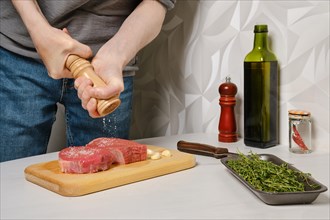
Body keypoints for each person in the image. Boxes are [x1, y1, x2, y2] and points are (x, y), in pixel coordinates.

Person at [0, 0, 176, 162]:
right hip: (20, 48)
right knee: (11, 180)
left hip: (107, 65)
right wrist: (38, 30)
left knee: (105, 185)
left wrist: (116, 56)